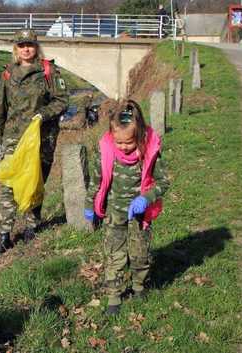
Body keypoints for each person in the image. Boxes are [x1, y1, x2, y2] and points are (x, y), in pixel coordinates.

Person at [0, 28, 69, 257]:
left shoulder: (48, 70)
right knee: (10, 185)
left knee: (36, 181)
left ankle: (32, 228)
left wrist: (43, 114)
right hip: (14, 137)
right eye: (22, 45)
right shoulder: (7, 74)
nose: (26, 49)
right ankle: (4, 236)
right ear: (16, 48)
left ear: (36, 47)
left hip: (42, 138)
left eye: (30, 45)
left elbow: (62, 101)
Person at [84, 100, 169, 315]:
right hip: (114, 213)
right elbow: (96, 180)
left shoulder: (149, 152)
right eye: (118, 142)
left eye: (128, 143)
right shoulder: (106, 152)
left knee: (140, 252)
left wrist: (146, 198)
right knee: (114, 254)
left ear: (139, 135)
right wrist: (89, 204)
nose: (122, 147)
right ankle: (114, 297)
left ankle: (139, 286)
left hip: (139, 215)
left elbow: (163, 181)